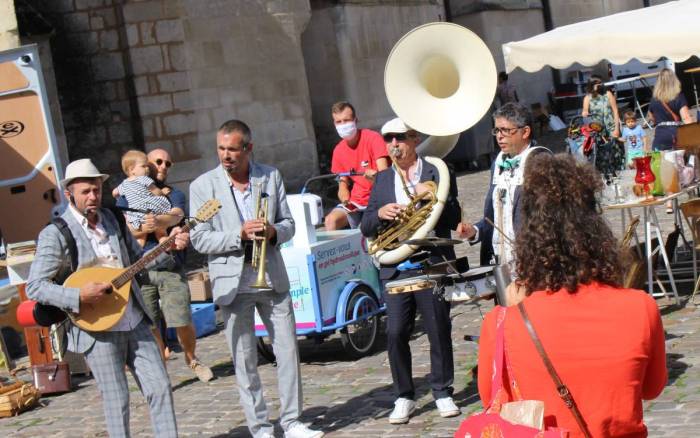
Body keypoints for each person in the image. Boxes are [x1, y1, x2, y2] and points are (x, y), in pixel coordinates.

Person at [476, 153, 667, 437]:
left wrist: (513, 315)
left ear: (529, 235)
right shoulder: (641, 307)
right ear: (595, 227)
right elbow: (651, 388)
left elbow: (494, 399)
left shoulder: (501, 324)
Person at [27, 158, 189, 437]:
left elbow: (138, 261)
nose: (93, 197)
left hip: (134, 318)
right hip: (96, 327)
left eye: (96, 190)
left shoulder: (113, 219)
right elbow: (35, 286)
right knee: (118, 402)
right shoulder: (56, 233)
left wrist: (166, 247)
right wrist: (78, 295)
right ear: (69, 195)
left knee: (160, 387)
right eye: (85, 192)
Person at [190, 120, 323, 438]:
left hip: (271, 277)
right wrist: (238, 234)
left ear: (248, 148)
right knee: (245, 358)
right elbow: (199, 239)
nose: (226, 155)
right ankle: (260, 427)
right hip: (232, 281)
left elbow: (289, 223)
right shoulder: (202, 186)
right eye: (221, 148)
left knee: (288, 351)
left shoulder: (270, 175)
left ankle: (291, 422)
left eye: (233, 149)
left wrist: (274, 231)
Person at [360, 117, 466, 424]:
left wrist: (429, 195)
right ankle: (404, 395)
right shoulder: (381, 181)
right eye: (388, 140)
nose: (393, 145)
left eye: (399, 138)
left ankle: (442, 390)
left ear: (414, 139)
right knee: (394, 334)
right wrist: (379, 213)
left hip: (430, 262)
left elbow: (453, 216)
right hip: (396, 267)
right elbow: (367, 225)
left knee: (437, 329)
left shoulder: (437, 171)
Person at [117, 148, 214, 382]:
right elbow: (123, 226)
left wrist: (157, 222)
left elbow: (178, 216)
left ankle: (192, 359)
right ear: (145, 165)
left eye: (168, 163)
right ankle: (160, 367)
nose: (163, 166)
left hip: (169, 264)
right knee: (149, 324)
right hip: (140, 268)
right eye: (158, 162)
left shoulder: (173, 194)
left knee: (181, 317)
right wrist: (144, 228)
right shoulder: (126, 193)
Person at [460, 102, 550, 267]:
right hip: (499, 260)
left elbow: (550, 217)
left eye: (506, 130)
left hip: (531, 260)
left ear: (525, 132)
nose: (499, 136)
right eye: (496, 130)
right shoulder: (498, 162)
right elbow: (495, 213)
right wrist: (475, 231)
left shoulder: (540, 160)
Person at [325, 101, 389, 230]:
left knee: (368, 225)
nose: (343, 125)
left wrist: (375, 178)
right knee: (330, 221)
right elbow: (342, 183)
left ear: (355, 120)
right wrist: (344, 195)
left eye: (346, 120)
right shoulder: (338, 150)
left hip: (378, 199)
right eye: (339, 122)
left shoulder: (373, 138)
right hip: (356, 203)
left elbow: (385, 175)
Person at [112, 150, 173, 246]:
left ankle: (140, 248)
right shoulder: (144, 179)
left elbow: (114, 192)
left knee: (140, 236)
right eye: (143, 166)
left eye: (147, 166)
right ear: (132, 169)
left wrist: (117, 197)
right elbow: (155, 191)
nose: (147, 169)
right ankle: (163, 240)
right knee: (160, 229)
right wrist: (163, 193)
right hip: (150, 209)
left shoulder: (124, 184)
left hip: (135, 213)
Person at [582, 74, 624, 172]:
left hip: (611, 127)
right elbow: (584, 111)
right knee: (602, 156)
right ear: (591, 85)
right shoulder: (587, 98)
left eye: (600, 83)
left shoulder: (608, 93)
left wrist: (617, 129)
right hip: (598, 130)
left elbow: (615, 111)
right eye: (596, 84)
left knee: (616, 153)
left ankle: (618, 174)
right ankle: (606, 177)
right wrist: (585, 112)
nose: (599, 85)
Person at [647, 68, 693, 151]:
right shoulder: (679, 96)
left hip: (660, 136)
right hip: (677, 134)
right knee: (682, 162)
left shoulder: (654, 99)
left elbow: (651, 118)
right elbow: (686, 118)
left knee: (658, 163)